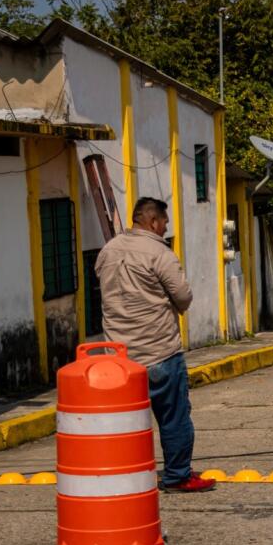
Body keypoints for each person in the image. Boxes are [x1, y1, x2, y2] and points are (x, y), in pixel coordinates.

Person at [95, 197, 215, 492]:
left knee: (125, 424)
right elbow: (183, 297)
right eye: (164, 222)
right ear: (152, 221)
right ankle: (177, 476)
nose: (166, 227)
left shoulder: (108, 250)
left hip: (119, 357)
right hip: (159, 352)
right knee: (174, 419)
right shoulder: (159, 253)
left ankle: (124, 477)